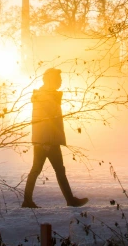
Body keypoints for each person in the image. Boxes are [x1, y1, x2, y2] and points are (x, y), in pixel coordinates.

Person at [22, 68, 89, 208]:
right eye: (58, 79)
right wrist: (46, 141)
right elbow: (42, 121)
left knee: (46, 170)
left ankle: (28, 201)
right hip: (47, 141)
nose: (60, 81)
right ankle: (69, 201)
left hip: (48, 140)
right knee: (50, 170)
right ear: (50, 80)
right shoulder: (44, 96)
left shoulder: (47, 95)